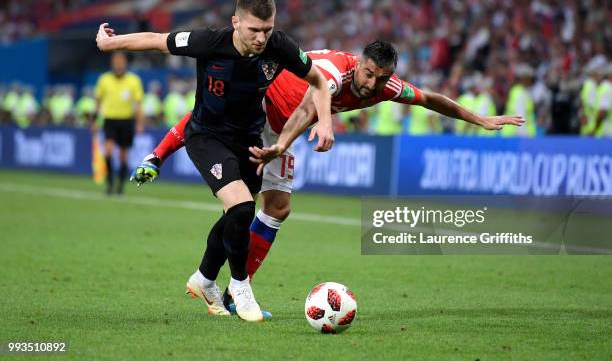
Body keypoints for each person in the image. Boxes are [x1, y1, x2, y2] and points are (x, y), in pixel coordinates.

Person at [131, 41, 524, 313]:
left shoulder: (384, 87)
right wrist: (322, 126)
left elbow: (430, 99)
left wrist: (481, 119)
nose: (371, 84)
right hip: (264, 105)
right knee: (220, 146)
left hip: (282, 129)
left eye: (380, 78)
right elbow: (313, 99)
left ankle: (220, 282)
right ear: (360, 63)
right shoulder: (338, 68)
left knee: (276, 208)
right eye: (369, 73)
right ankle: (226, 281)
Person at [96, 0, 334, 322]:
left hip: (249, 140)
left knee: (235, 216)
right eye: (254, 29)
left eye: (267, 29)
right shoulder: (208, 41)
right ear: (236, 22)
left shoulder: (279, 46)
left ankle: (205, 278)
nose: (261, 37)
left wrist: (325, 121)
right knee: (242, 207)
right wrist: (111, 44)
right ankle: (239, 285)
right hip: (206, 136)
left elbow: (319, 81)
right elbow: (155, 39)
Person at [93, 52, 144, 195]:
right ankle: (109, 182)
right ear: (112, 63)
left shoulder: (133, 80)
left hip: (126, 120)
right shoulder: (104, 79)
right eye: (116, 61)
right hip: (110, 120)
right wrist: (95, 121)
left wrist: (140, 123)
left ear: (125, 63)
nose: (119, 64)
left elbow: (138, 104)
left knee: (123, 156)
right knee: (108, 151)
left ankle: (120, 186)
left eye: (121, 61)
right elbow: (98, 101)